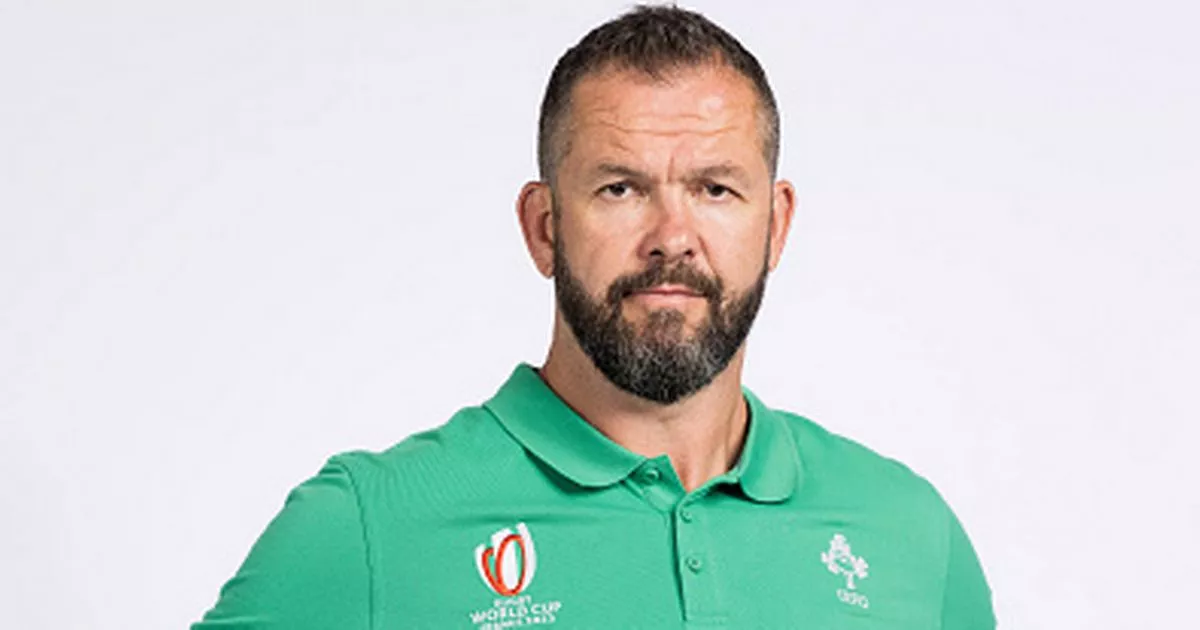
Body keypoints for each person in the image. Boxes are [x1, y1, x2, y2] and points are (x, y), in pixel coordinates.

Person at [193, 5, 995, 629]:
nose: (672, 237)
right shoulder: (367, 527)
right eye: (620, 189)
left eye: (715, 188)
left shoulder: (908, 536)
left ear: (776, 225)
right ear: (544, 227)